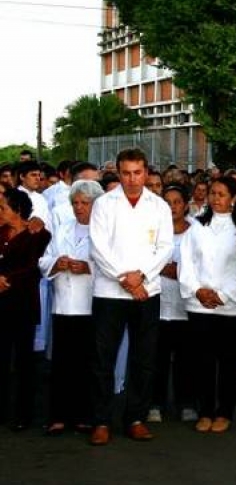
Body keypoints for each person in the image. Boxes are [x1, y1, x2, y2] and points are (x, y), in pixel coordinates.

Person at [88, 148, 173, 445]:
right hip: (110, 292)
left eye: (138, 173)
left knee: (144, 358)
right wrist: (124, 278)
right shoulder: (103, 204)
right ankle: (101, 420)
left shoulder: (159, 206)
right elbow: (97, 248)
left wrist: (142, 277)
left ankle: (135, 417)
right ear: (118, 173)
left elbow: (165, 248)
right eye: (126, 173)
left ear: (147, 172)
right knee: (103, 359)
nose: (132, 179)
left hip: (146, 291)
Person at [180, 177, 236, 434]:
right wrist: (198, 290)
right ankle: (206, 410)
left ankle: (225, 412)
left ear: (233, 198)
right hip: (200, 305)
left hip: (232, 307)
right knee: (203, 361)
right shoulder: (197, 226)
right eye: (212, 193)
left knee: (229, 362)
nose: (215, 198)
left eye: (222, 194)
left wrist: (222, 296)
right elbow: (186, 262)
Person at [39, 180, 103, 435]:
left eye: (84, 203)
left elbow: (112, 264)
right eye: (75, 203)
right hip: (64, 305)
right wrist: (58, 262)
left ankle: (85, 415)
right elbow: (44, 259)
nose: (79, 208)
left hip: (90, 305)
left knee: (87, 363)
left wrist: (88, 267)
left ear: (95, 205)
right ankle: (58, 415)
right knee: (61, 364)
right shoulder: (63, 228)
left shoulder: (102, 231)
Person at [0, 189, 51, 431]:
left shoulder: (37, 235)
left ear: (18, 210)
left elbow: (34, 268)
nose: (0, 212)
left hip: (22, 305)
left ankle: (24, 414)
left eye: (3, 208)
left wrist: (5, 279)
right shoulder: (1, 233)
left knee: (24, 362)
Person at [147, 184, 196, 425]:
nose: (173, 206)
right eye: (167, 201)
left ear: (186, 204)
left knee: (187, 359)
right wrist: (166, 269)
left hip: (186, 306)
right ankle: (155, 403)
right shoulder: (154, 230)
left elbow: (201, 264)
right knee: (158, 359)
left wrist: (181, 272)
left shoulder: (196, 231)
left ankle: (186, 402)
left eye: (177, 201)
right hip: (159, 305)